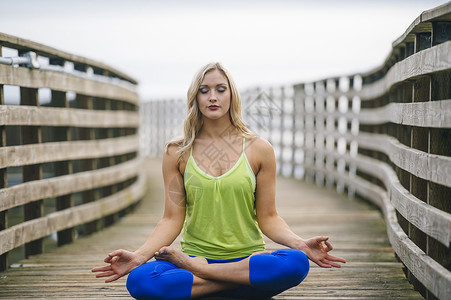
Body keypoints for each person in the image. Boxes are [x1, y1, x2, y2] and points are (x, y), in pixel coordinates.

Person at [92, 62, 346, 299]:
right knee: (139, 280)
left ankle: (203, 282)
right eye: (204, 91)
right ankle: (239, 284)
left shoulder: (259, 149)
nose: (213, 96)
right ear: (196, 98)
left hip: (241, 260)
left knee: (297, 262)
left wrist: (300, 243)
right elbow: (171, 218)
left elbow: (268, 217)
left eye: (220, 89)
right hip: (201, 258)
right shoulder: (176, 152)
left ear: (231, 96)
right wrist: (139, 256)